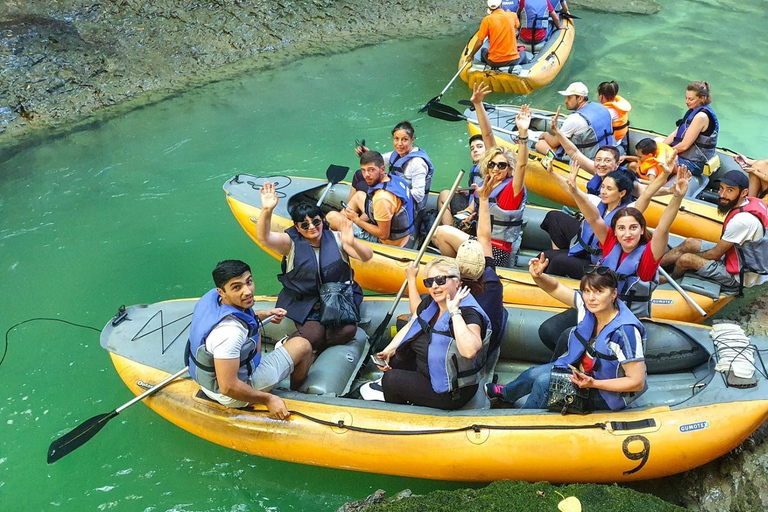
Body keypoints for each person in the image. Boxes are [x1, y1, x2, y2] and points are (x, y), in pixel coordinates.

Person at [486, 259, 647, 411]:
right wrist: (538, 276)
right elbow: (556, 288)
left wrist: (594, 383)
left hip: (605, 393)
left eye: (599, 292)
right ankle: (505, 395)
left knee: (544, 383)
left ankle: (521, 421)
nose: (591, 298)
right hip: (581, 373)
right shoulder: (588, 307)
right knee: (533, 373)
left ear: (613, 294)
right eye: (587, 291)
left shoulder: (625, 332)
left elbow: (636, 382)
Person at [186, 260, 312, 419]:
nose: (247, 291)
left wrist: (266, 313)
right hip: (233, 394)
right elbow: (228, 387)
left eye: (249, 282)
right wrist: (268, 399)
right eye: (237, 287)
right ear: (221, 291)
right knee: (303, 345)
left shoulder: (215, 300)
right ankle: (297, 392)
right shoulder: (229, 334)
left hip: (224, 375)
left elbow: (240, 315)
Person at [256, 182, 373, 353]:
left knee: (347, 331)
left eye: (316, 222)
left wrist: (352, 242)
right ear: (297, 227)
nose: (312, 227)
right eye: (304, 225)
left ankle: (317, 351)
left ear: (322, 221)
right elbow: (264, 238)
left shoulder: (337, 238)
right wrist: (267, 210)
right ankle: (291, 343)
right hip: (304, 301)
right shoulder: (290, 243)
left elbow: (366, 256)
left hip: (337, 298)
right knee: (314, 336)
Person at [365, 257, 491, 410]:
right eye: (429, 282)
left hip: (452, 390)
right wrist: (389, 349)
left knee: (390, 380)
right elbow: (413, 323)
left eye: (440, 280)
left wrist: (454, 312)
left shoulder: (469, 313)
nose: (434, 287)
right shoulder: (431, 302)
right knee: (395, 360)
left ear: (457, 282)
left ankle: (400, 416)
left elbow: (470, 350)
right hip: (429, 369)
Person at [414, 173, 510, 361]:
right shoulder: (490, 274)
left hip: (469, 350)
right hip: (492, 335)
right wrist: (483, 199)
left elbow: (420, 314)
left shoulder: (452, 293)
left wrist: (411, 279)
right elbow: (484, 237)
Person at [434, 84, 530, 268]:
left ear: (509, 169)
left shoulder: (512, 188)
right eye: (492, 164)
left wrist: (523, 133)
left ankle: (456, 271)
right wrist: (478, 104)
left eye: (501, 165)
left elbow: (522, 164)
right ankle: (462, 270)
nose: (495, 168)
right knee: (439, 237)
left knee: (443, 232)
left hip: (497, 252)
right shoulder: (489, 181)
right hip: (482, 242)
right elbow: (487, 135)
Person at [659, 170, 768, 295]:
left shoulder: (742, 221)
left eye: (730, 190)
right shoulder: (753, 202)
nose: (722, 194)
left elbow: (715, 255)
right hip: (738, 254)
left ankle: (672, 278)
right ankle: (655, 265)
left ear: (744, 193)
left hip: (740, 276)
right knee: (690, 243)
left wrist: (682, 257)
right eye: (721, 188)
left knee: (685, 259)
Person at [328, 151, 415, 247]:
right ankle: (347, 227)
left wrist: (357, 220)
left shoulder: (382, 198)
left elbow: (383, 234)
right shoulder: (394, 179)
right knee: (359, 195)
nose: (366, 175)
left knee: (331, 217)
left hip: (388, 242)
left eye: (371, 170)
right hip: (399, 230)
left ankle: (339, 236)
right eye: (363, 170)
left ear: (382, 169)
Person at [351, 121, 434, 214]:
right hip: (394, 194)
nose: (399, 143)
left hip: (406, 207)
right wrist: (365, 154)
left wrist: (389, 193)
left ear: (412, 139)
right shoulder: (397, 154)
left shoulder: (417, 163)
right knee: (359, 175)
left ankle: (356, 215)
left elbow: (418, 196)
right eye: (396, 139)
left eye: (404, 139)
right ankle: (351, 209)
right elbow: (378, 160)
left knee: (361, 189)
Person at [535, 82, 615, 159]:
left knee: (540, 144)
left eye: (569, 97)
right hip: (606, 152)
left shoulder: (575, 119)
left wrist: (544, 134)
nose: (565, 101)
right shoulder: (601, 107)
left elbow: (553, 143)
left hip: (586, 159)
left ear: (580, 98)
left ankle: (557, 159)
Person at [663, 81, 719, 177]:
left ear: (702, 98)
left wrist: (666, 153)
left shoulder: (701, 116)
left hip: (694, 163)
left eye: (691, 99)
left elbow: (684, 146)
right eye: (686, 98)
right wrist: (660, 147)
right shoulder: (692, 111)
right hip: (684, 156)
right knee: (656, 142)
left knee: (662, 160)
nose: (687, 102)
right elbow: (676, 133)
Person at [436, 133, 486, 226]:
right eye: (472, 148)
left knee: (444, 196)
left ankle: (451, 230)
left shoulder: (487, 167)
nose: (475, 150)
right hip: (473, 203)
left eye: (479, 147)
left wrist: (470, 210)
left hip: (476, 210)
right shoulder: (475, 168)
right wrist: (467, 191)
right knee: (446, 193)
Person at [467, 0, 527, 68]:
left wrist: (471, 55)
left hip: (494, 62)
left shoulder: (487, 20)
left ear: (489, 8)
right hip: (513, 60)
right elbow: (518, 26)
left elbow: (480, 42)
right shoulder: (512, 15)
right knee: (523, 54)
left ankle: (486, 67)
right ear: (501, 5)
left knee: (483, 50)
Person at [597, 81, 631, 146]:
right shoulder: (619, 105)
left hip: (611, 143)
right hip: (619, 140)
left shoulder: (608, 111)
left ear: (601, 96)